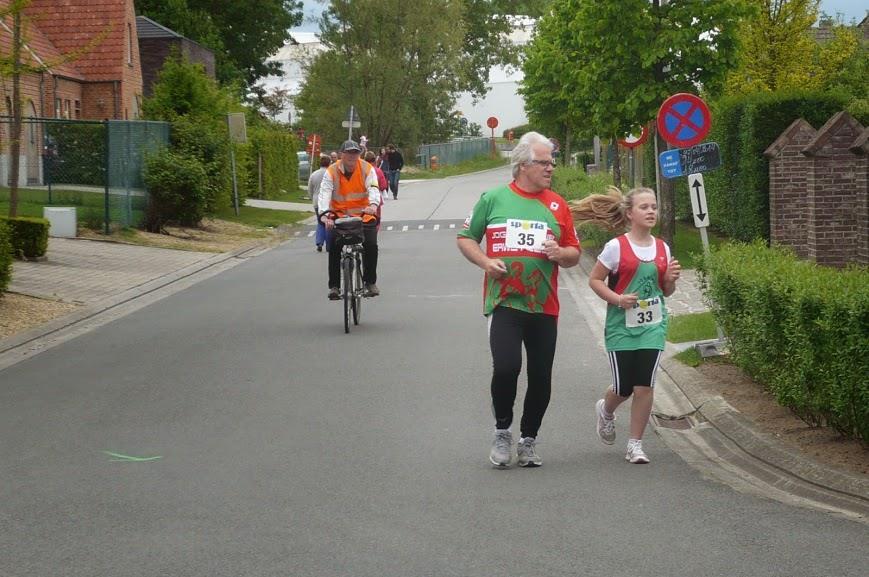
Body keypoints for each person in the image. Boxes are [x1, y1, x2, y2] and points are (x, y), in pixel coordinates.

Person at [457, 131, 581, 468]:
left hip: (544, 304)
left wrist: (559, 253)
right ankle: (502, 431)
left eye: (552, 162)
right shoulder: (493, 199)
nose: (551, 167)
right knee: (508, 368)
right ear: (523, 165)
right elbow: (466, 237)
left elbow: (575, 254)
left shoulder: (557, 205)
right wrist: (484, 261)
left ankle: (529, 439)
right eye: (544, 162)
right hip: (505, 302)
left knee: (541, 376)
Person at [570, 186, 681, 464]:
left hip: (653, 326)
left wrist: (670, 279)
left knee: (644, 386)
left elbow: (665, 292)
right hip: (622, 327)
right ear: (630, 213)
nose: (651, 211)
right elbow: (594, 280)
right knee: (624, 386)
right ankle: (606, 410)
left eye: (654, 206)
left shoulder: (662, 248)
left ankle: (635, 445)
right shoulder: (616, 247)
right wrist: (618, 299)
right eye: (644, 207)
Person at [318, 139, 382, 299]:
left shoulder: (367, 169)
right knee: (333, 247)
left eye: (356, 153)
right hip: (338, 216)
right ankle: (334, 286)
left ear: (359, 154)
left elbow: (373, 187)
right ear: (341, 155)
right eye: (349, 153)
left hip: (363, 216)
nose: (352, 156)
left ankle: (370, 282)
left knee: (371, 246)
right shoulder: (331, 171)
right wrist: (325, 215)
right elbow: (325, 193)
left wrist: (373, 205)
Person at [308, 154, 332, 252]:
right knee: (328, 222)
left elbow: (310, 188)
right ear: (329, 163)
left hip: (317, 200)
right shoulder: (330, 173)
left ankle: (319, 242)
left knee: (320, 222)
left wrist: (312, 197)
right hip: (328, 201)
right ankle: (329, 243)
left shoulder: (314, 174)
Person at [364, 150, 388, 225]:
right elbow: (383, 185)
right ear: (374, 160)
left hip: (363, 199)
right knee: (376, 217)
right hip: (375, 198)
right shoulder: (378, 171)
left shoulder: (360, 170)